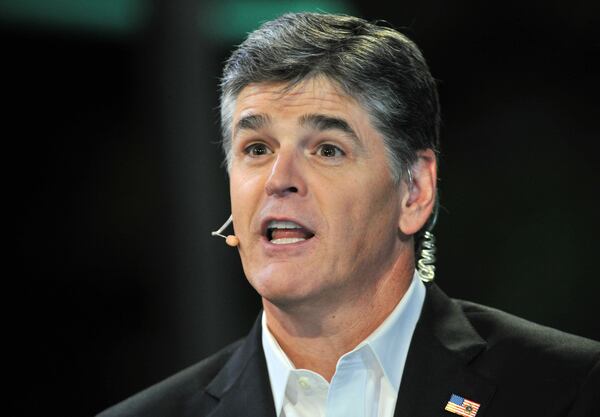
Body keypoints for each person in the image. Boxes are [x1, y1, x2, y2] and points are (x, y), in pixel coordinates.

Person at [98, 12, 599, 417]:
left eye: (327, 149)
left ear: (414, 191)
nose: (279, 178)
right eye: (256, 148)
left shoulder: (568, 388)